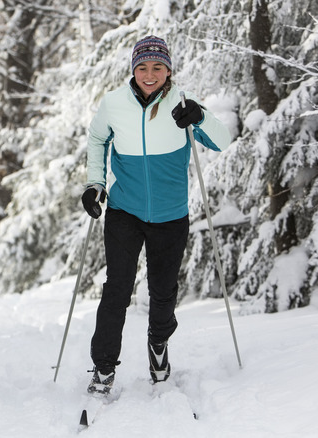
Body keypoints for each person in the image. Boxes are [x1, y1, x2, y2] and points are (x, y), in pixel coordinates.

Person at [81, 35, 230, 395]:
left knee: (163, 292)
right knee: (117, 290)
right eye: (143, 67)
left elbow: (222, 141)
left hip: (170, 215)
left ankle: (158, 346)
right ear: (133, 69)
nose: (150, 74)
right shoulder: (114, 103)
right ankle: (103, 367)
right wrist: (94, 183)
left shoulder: (182, 105)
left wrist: (201, 116)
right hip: (124, 212)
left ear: (168, 70)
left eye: (157, 67)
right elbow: (97, 139)